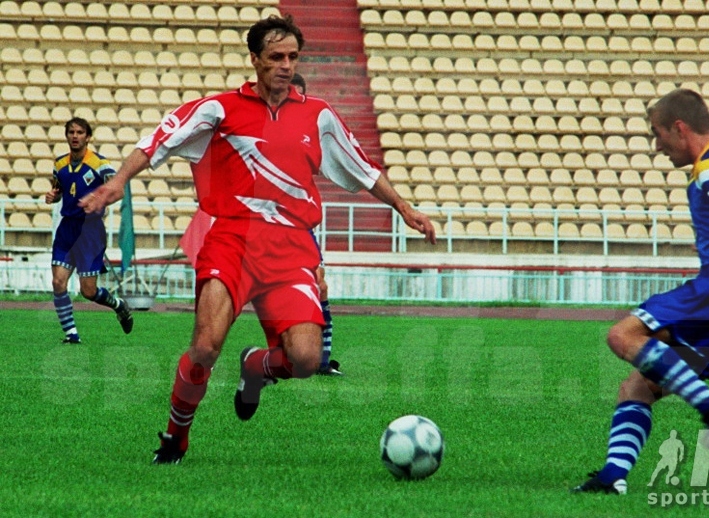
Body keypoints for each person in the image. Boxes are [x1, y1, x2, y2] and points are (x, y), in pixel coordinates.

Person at [80, 14, 436, 464]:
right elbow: (157, 141)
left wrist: (405, 208)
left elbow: (364, 170)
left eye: (292, 57)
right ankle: (175, 437)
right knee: (206, 345)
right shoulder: (220, 109)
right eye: (276, 57)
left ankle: (255, 367)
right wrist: (118, 183)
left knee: (306, 361)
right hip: (232, 240)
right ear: (255, 60)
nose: (286, 66)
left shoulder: (318, 114)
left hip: (290, 250)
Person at [571, 89, 709, 495]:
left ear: (679, 128)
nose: (656, 146)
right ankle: (613, 478)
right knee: (638, 385)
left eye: (657, 133)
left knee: (622, 335)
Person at [45, 117, 134, 344]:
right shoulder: (59, 165)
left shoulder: (100, 164)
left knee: (88, 291)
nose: (75, 136)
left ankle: (118, 305)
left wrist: (97, 199)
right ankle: (71, 334)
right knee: (58, 282)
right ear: (66, 136)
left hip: (90, 231)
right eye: (71, 132)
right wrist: (53, 197)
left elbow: (118, 191)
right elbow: (59, 190)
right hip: (67, 228)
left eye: (80, 132)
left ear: (88, 136)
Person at [291, 72, 342, 376]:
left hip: (301, 225)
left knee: (320, 286)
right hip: (262, 224)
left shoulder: (310, 128)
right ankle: (207, 357)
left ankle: (322, 361)